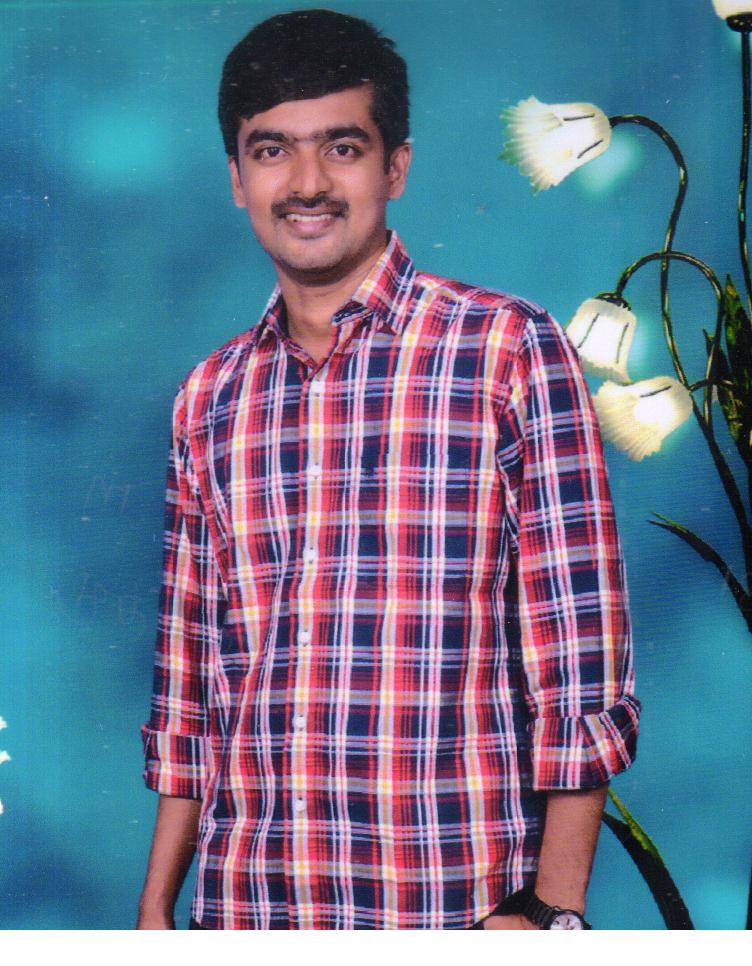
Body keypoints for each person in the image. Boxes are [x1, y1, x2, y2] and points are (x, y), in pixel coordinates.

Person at [136, 8, 640, 931]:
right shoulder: (208, 398)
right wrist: (155, 912)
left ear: (395, 167)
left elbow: (581, 666)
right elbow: (191, 688)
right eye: (272, 151)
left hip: (453, 910)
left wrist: (552, 914)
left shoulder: (506, 352)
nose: (308, 184)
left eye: (343, 147)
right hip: (245, 909)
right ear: (238, 179)